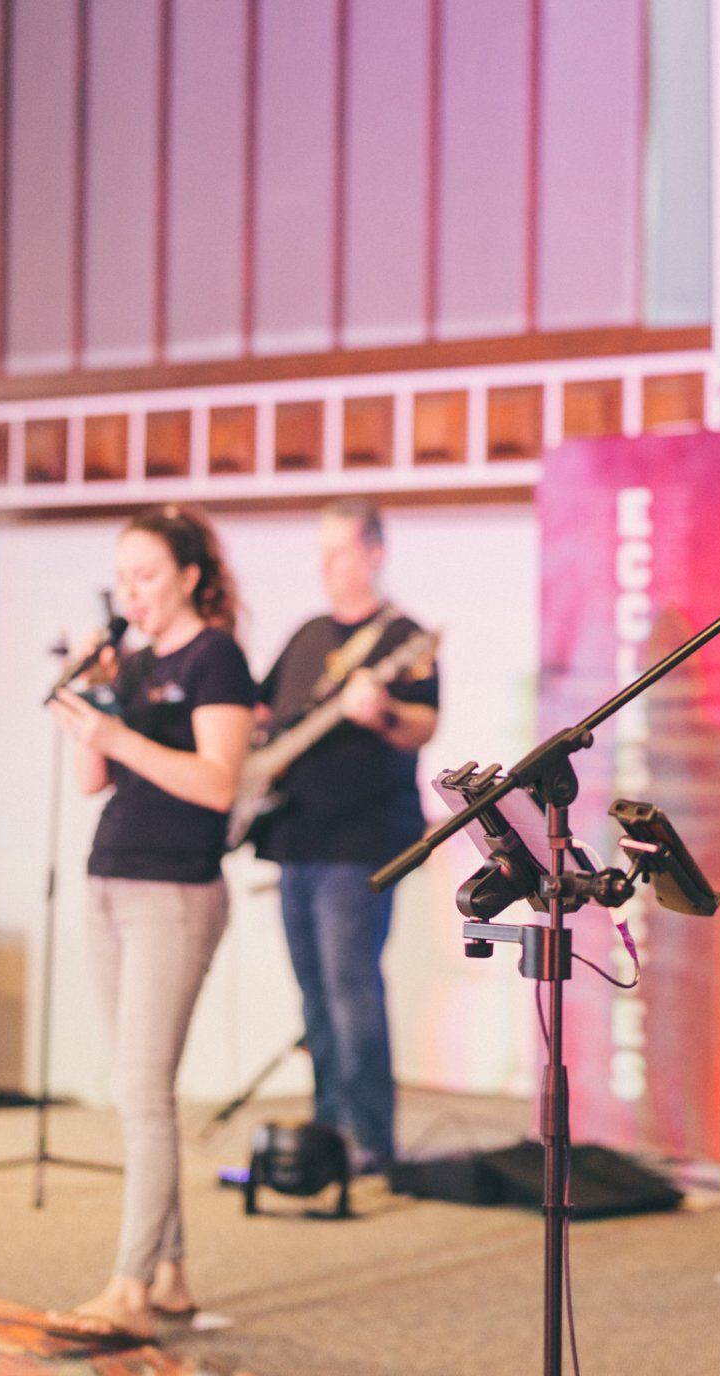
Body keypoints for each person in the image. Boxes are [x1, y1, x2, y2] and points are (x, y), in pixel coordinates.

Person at [45, 506, 256, 1345]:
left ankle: (129, 1287)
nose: (131, 591)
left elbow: (217, 783)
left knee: (141, 1093)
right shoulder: (129, 665)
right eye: (122, 575)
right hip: (110, 879)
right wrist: (88, 701)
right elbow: (92, 780)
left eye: (146, 575)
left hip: (174, 892)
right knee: (138, 1086)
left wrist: (119, 735)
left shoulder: (218, 659)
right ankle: (169, 1273)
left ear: (191, 578)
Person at [254, 498, 439, 1175]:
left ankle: (369, 1138)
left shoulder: (404, 639)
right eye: (321, 552)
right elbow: (264, 708)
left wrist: (381, 709)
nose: (326, 567)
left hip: (361, 841)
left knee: (349, 986)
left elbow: (423, 725)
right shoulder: (307, 634)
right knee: (312, 991)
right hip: (295, 838)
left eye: (339, 552)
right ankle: (328, 1125)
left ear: (374, 553)